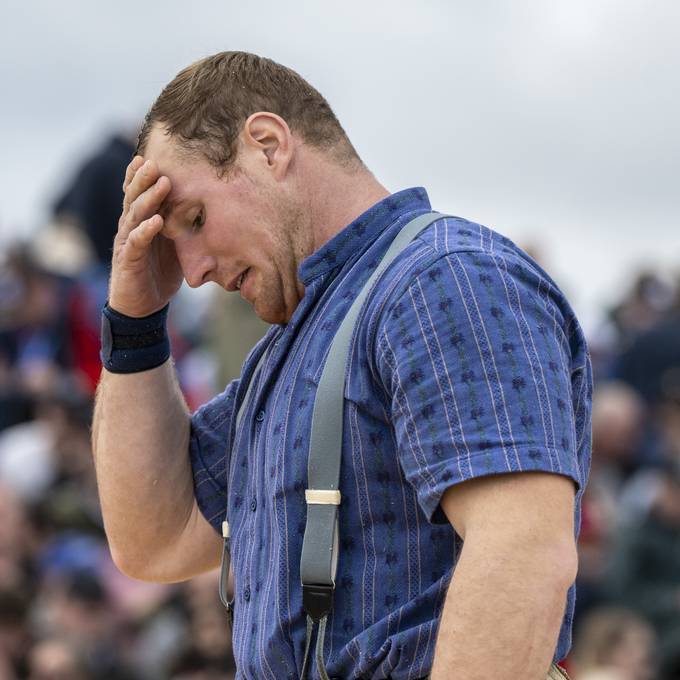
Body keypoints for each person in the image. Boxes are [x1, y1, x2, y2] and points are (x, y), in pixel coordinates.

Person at [92, 51, 592, 679]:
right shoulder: (290, 349)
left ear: (269, 146)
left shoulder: (445, 279)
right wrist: (134, 322)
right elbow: (154, 541)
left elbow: (522, 553)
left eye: (194, 219)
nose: (192, 273)